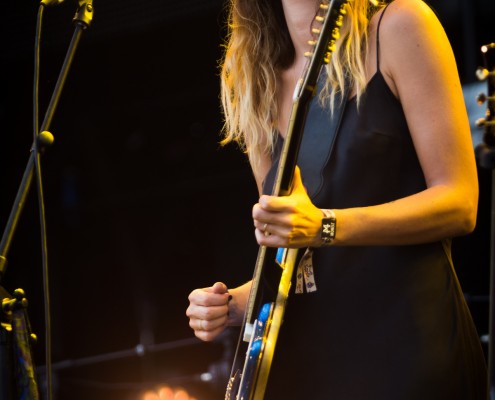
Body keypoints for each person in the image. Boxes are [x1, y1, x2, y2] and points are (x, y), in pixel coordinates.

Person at [186, 0, 488, 398]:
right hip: (317, 367)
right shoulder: (255, 79)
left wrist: (327, 225)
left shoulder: (399, 26)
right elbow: (295, 258)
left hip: (409, 348)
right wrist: (236, 302)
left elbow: (459, 203)